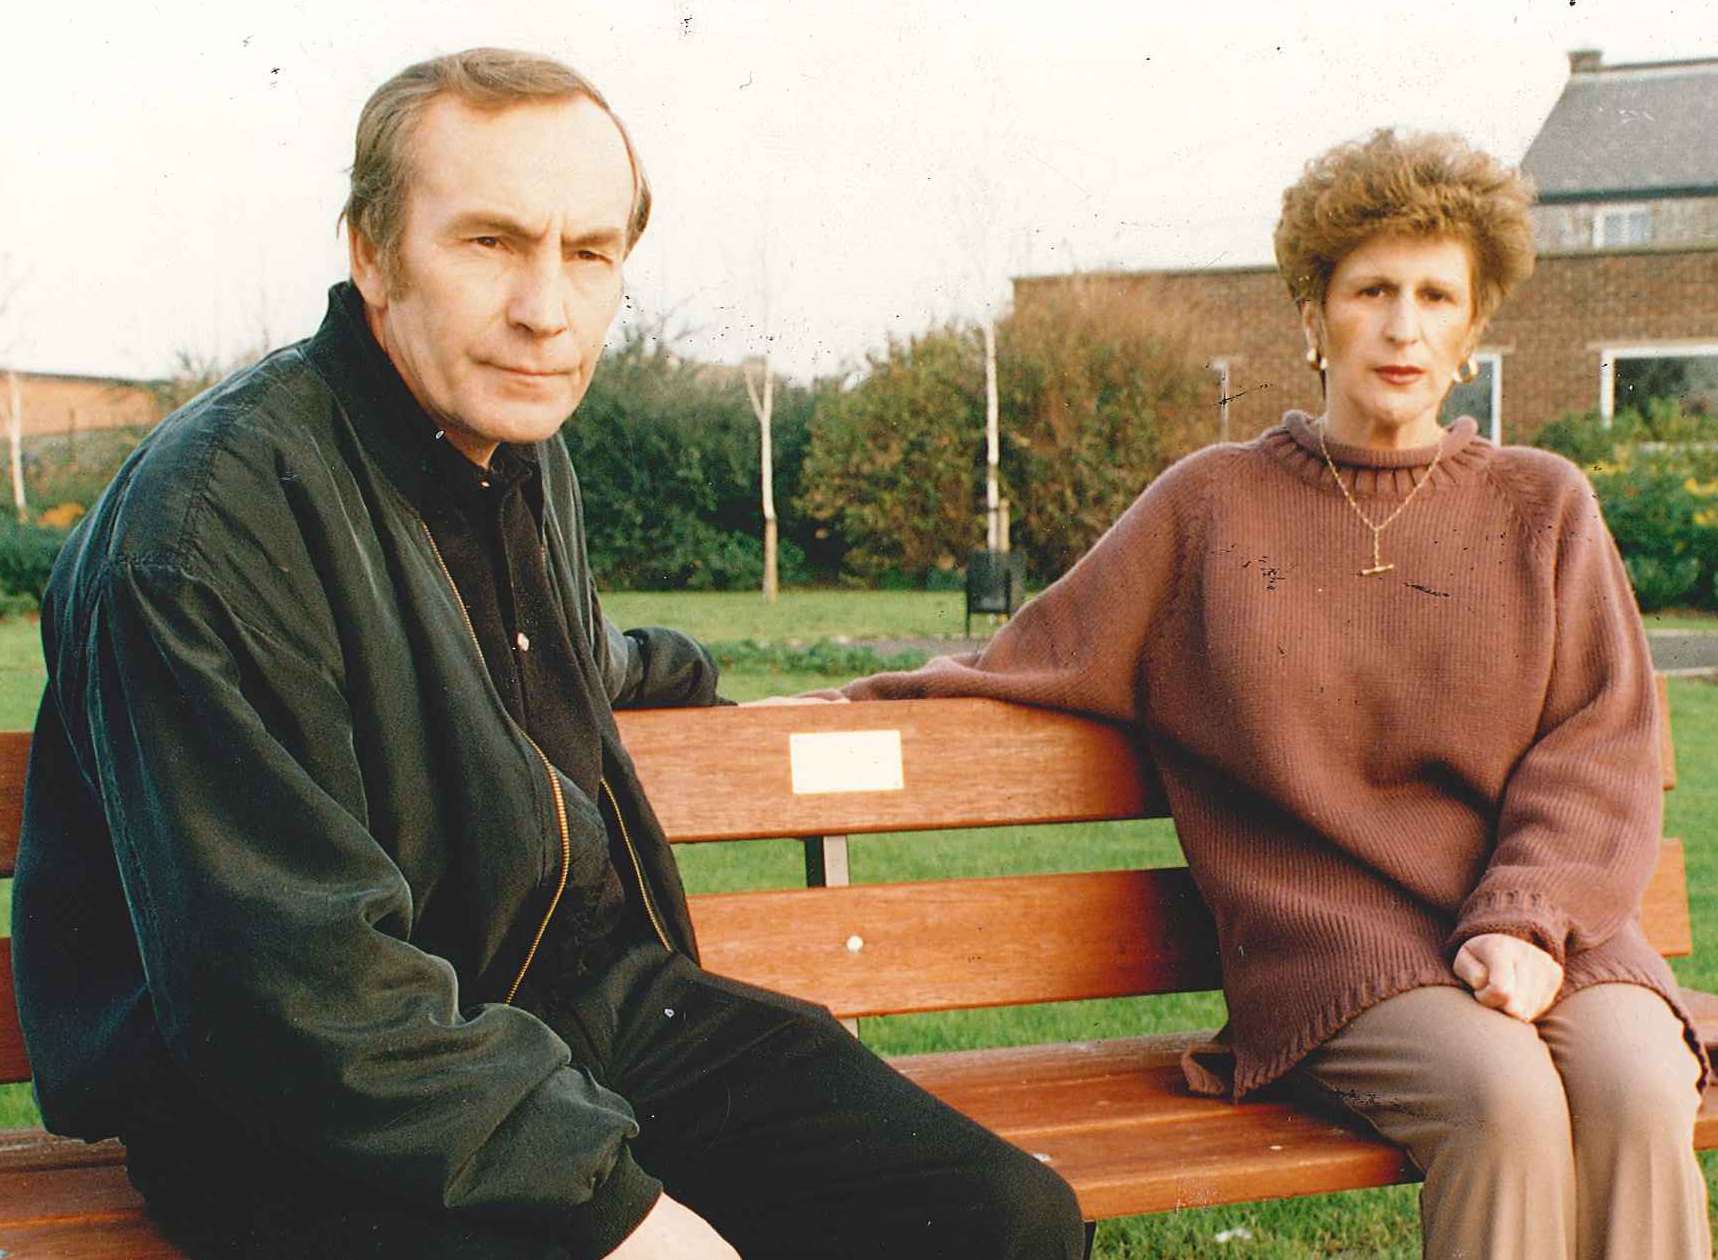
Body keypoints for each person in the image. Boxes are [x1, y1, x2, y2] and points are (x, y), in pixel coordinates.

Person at [10, 48, 1086, 1260]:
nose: (547, 309)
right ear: (371, 252)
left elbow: (538, 659)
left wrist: (684, 672)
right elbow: (289, 996)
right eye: (488, 243)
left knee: (999, 1222)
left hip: (584, 1013)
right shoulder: (211, 526)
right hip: (313, 1109)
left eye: (589, 253)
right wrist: (618, 1213)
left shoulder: (512, 452)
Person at [836, 129, 1710, 1260]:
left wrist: (1525, 920)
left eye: (1436, 296)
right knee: (1501, 1096)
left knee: (1643, 1086)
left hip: (1551, 928)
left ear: (1471, 330)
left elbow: (1599, 741)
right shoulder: (1210, 507)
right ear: (1313, 315)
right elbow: (1028, 655)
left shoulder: (1542, 505)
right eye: (1371, 290)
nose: (1402, 326)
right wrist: (820, 710)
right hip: (1341, 953)